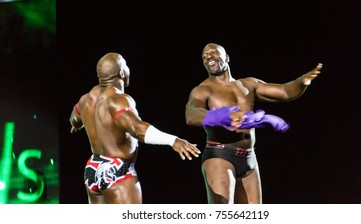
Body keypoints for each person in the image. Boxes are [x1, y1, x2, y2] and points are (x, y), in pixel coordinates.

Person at [185, 43, 323, 204]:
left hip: (249, 158)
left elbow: (284, 91)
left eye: (213, 52)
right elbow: (192, 114)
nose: (208, 56)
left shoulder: (248, 85)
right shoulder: (202, 90)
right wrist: (222, 115)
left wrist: (301, 82)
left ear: (227, 58)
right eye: (204, 56)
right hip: (220, 155)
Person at [69, 52, 201, 204]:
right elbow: (137, 129)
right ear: (121, 72)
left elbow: (74, 118)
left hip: (93, 168)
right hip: (117, 171)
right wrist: (173, 140)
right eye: (125, 64)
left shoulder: (86, 99)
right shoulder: (118, 99)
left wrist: (77, 125)